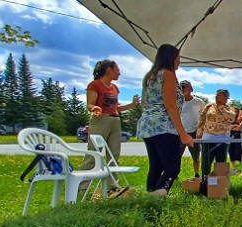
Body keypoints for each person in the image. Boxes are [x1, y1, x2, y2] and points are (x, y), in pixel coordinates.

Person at [136, 44, 194, 197]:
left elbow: (145, 103)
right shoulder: (168, 74)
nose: (179, 61)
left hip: (148, 125)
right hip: (164, 126)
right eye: (178, 58)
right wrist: (183, 134)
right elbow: (170, 105)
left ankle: (150, 196)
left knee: (156, 165)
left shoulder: (150, 76)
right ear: (171, 58)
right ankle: (157, 196)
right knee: (173, 167)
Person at [79, 59, 139, 197]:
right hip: (101, 120)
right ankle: (82, 188)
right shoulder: (95, 85)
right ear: (109, 70)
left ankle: (112, 187)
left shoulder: (114, 88)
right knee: (93, 154)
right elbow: (89, 104)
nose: (119, 72)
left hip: (115, 121)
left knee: (114, 155)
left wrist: (132, 105)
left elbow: (116, 107)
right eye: (117, 69)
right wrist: (94, 108)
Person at [196, 89, 236, 181]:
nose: (218, 97)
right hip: (207, 138)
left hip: (223, 138)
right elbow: (202, 118)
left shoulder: (230, 109)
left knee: (221, 162)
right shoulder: (209, 106)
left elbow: (231, 118)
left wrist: (220, 106)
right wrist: (199, 131)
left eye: (221, 95)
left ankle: (218, 184)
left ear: (226, 98)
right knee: (206, 161)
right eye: (217, 95)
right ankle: (205, 182)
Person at [179, 80, 204, 178]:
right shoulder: (179, 103)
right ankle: (174, 175)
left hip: (194, 133)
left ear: (191, 88)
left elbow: (204, 116)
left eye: (186, 87)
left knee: (196, 157)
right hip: (181, 133)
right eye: (182, 87)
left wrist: (200, 129)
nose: (184, 89)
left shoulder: (199, 102)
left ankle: (197, 174)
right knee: (177, 156)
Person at [228, 105, 242, 175]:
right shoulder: (228, 119)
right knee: (231, 151)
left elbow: (240, 128)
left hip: (239, 137)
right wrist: (233, 127)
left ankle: (241, 168)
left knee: (239, 151)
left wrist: (233, 127)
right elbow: (227, 127)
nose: (235, 112)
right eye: (233, 111)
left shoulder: (240, 119)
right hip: (230, 137)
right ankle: (233, 168)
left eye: (236, 111)